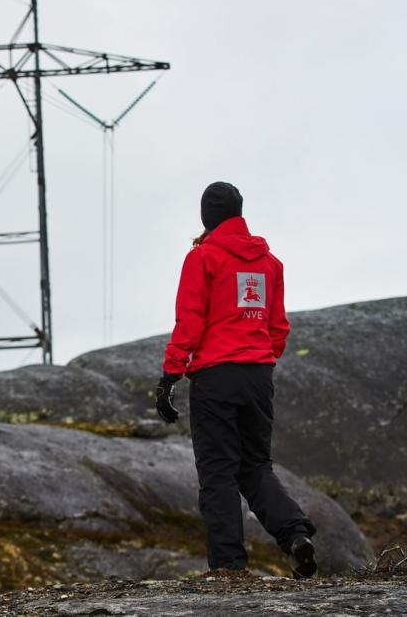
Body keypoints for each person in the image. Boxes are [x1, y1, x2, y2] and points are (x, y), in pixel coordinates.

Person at [155, 181, 318, 578]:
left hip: (215, 377)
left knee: (218, 471)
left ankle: (229, 567)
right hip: (258, 377)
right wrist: (259, 361)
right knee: (256, 467)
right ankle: (295, 534)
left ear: (206, 217)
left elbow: (190, 322)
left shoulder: (202, 258)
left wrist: (170, 376)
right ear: (239, 213)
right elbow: (278, 327)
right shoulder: (270, 263)